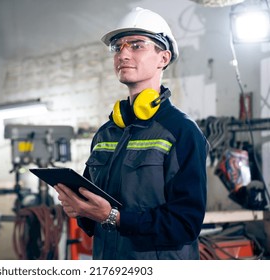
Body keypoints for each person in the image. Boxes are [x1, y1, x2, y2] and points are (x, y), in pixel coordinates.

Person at [54, 7, 209, 259]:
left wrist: (113, 217)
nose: (123, 54)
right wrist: (80, 209)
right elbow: (92, 218)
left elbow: (186, 225)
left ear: (163, 58)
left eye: (137, 45)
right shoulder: (106, 133)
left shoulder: (182, 131)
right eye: (117, 47)